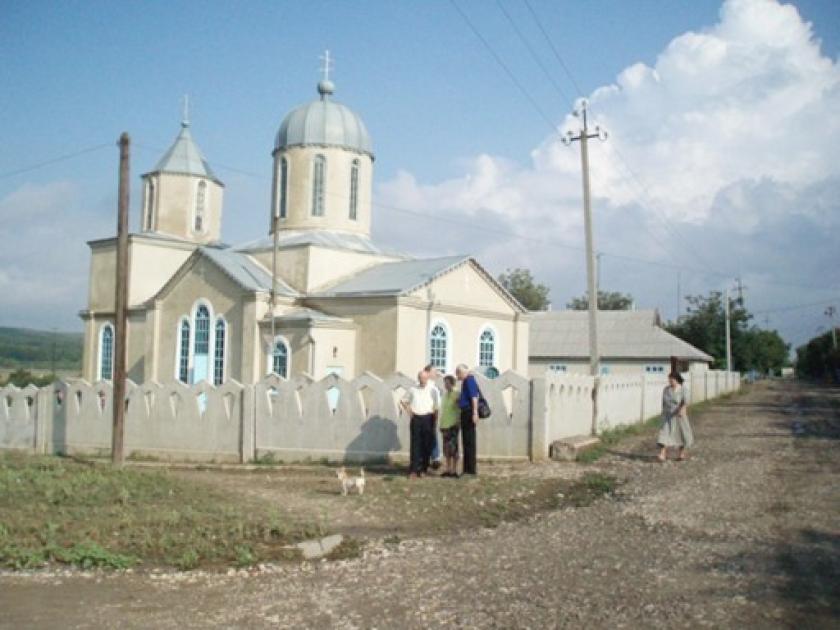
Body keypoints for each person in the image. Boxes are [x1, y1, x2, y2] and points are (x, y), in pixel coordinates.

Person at [401, 369, 440, 478]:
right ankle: (413, 469)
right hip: (416, 418)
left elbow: (437, 406)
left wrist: (435, 419)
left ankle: (423, 468)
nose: (422, 380)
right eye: (421, 378)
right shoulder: (413, 389)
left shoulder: (433, 389)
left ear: (427, 378)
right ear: (418, 379)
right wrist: (409, 411)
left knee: (427, 444)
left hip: (428, 417)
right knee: (415, 444)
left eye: (424, 378)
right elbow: (403, 400)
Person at [657, 372, 694, 462]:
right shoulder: (666, 389)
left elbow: (686, 401)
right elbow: (663, 402)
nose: (670, 381)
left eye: (672, 379)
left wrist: (682, 409)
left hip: (679, 415)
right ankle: (662, 454)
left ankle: (681, 454)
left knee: (681, 434)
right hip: (668, 416)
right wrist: (663, 413)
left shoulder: (683, 389)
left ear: (677, 379)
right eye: (669, 379)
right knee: (664, 433)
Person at [455, 364, 480, 476]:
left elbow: (474, 397)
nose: (457, 376)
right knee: (466, 441)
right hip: (465, 412)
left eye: (458, 373)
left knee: (469, 442)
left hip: (469, 413)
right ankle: (466, 469)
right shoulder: (466, 381)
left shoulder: (469, 380)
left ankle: (470, 470)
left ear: (462, 372)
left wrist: (475, 413)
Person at [438, 375, 461, 478]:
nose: (445, 385)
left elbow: (459, 409)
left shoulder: (456, 394)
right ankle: (447, 469)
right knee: (446, 449)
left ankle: (454, 470)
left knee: (454, 449)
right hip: (445, 425)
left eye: (447, 383)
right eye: (444, 383)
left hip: (453, 424)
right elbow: (444, 410)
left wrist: (458, 421)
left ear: (452, 383)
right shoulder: (445, 394)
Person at [424, 364, 443, 470]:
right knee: (427, 436)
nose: (436, 373)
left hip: (432, 413)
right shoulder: (425, 384)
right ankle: (431, 458)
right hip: (424, 414)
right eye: (434, 371)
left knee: (432, 435)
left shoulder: (434, 385)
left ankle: (435, 457)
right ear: (428, 372)